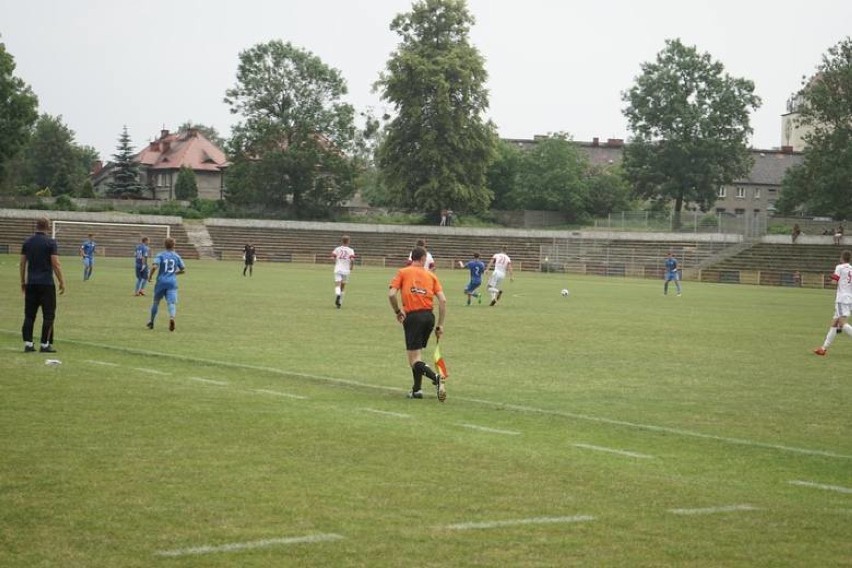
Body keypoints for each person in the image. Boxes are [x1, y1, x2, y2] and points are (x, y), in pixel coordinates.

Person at [388, 246, 447, 402]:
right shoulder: (431, 275)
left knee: (413, 360)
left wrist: (397, 311)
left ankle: (437, 378)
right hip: (429, 317)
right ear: (423, 259)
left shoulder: (403, 272)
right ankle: (416, 390)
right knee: (417, 356)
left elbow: (391, 294)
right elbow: (443, 300)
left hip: (413, 317)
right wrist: (440, 325)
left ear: (412, 258)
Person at [20, 217, 66, 353]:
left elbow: (23, 263)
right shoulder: (50, 242)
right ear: (47, 227)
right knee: (48, 315)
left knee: (29, 315)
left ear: (36, 226)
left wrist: (23, 281)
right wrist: (61, 281)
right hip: (46, 283)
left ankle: (28, 343)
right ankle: (45, 344)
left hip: (31, 283)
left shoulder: (27, 242)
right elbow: (56, 263)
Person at [814, 250, 852, 356]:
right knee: (834, 323)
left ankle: (823, 348)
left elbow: (834, 281)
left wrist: (833, 279)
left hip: (841, 299)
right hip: (849, 298)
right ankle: (823, 348)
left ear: (841, 258)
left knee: (842, 323)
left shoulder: (839, 267)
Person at [146, 237, 186, 332]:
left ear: (165, 245)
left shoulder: (161, 255)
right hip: (172, 282)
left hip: (161, 282)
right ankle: (172, 317)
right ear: (174, 245)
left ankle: (151, 322)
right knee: (171, 303)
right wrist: (174, 273)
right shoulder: (176, 256)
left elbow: (155, 267)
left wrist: (150, 276)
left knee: (156, 302)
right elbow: (183, 269)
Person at [331, 235, 356, 308]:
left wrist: (336, 261)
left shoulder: (337, 249)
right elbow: (352, 259)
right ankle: (340, 303)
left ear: (342, 241)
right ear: (348, 241)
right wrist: (352, 266)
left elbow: (332, 257)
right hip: (346, 270)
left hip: (338, 269)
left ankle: (337, 295)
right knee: (343, 286)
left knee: (337, 285)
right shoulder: (350, 250)